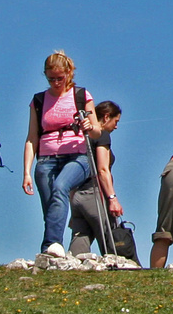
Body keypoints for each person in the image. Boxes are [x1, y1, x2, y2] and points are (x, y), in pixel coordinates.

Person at [22, 51, 100, 258]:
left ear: (69, 73)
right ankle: (51, 249)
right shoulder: (39, 101)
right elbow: (31, 138)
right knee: (51, 208)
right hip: (46, 159)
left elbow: (97, 131)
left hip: (78, 155)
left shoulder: (81, 95)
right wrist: (27, 172)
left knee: (60, 187)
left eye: (60, 78)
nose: (56, 82)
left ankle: (52, 244)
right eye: (51, 79)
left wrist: (88, 125)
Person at [68, 101, 128, 259]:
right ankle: (120, 271)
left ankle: (73, 272)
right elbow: (102, 169)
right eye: (116, 121)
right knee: (110, 237)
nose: (116, 126)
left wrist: (72, 204)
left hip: (77, 196)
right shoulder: (102, 135)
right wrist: (112, 198)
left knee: (80, 236)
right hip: (94, 194)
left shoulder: (81, 138)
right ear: (107, 117)